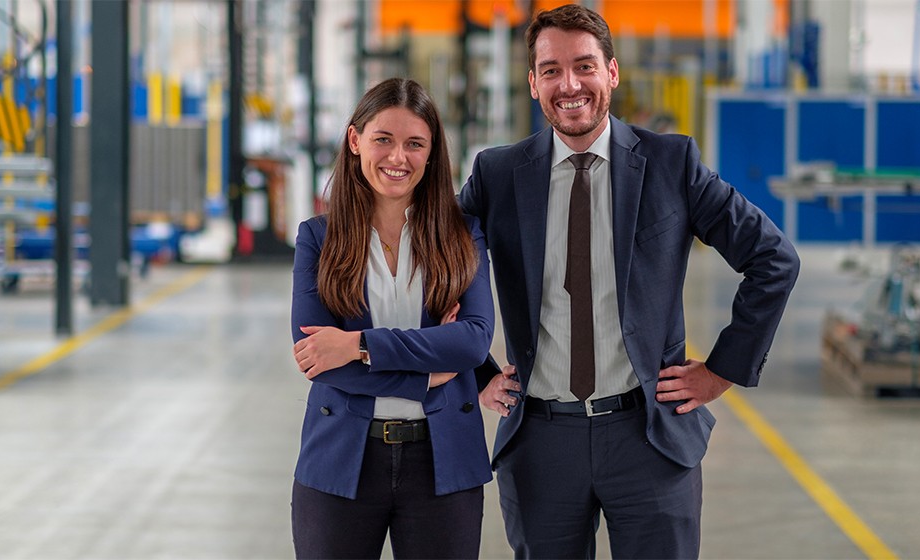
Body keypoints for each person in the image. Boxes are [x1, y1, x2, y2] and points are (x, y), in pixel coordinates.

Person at [459, 4, 800, 559]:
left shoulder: (672, 163)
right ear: (533, 82)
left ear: (611, 73)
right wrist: (477, 372)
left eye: (584, 66)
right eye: (550, 70)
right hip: (541, 441)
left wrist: (720, 373)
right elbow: (435, 262)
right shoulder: (497, 174)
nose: (569, 85)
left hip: (648, 437)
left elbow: (773, 257)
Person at [290, 77, 495, 559]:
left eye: (414, 144)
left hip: (443, 462)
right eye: (383, 139)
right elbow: (319, 360)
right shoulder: (317, 239)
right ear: (355, 140)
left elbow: (472, 343)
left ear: (431, 153)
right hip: (342, 459)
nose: (397, 157)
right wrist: (426, 379)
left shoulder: (462, 235)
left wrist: (359, 344)